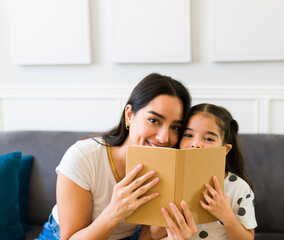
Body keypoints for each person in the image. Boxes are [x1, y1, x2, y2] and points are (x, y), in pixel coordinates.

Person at [35, 73, 191, 240]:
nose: (164, 138)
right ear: (129, 115)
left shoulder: (167, 165)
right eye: (154, 120)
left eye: (175, 127)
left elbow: (146, 236)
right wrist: (114, 211)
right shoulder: (83, 157)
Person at [160, 103, 257, 240]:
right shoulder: (169, 179)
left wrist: (227, 217)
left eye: (209, 138)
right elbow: (154, 234)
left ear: (225, 150)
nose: (196, 144)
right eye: (188, 135)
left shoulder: (238, 188)